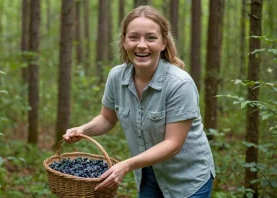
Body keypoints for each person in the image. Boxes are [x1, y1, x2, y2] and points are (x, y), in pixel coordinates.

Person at [63, 5, 215, 198]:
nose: (141, 45)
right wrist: (83, 129)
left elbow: (173, 143)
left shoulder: (179, 83)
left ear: (163, 43)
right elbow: (107, 118)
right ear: (124, 41)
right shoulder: (117, 77)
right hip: (148, 172)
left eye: (151, 38)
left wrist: (126, 164)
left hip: (188, 178)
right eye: (134, 37)